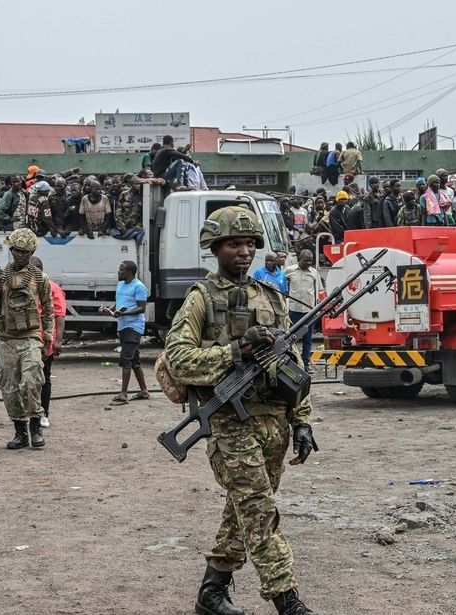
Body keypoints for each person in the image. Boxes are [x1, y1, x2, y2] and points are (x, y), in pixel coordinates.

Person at [164, 206, 320, 615]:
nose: (244, 251)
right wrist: (235, 350)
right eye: (235, 243)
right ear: (215, 248)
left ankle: (211, 593)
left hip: (274, 424)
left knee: (243, 508)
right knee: (259, 510)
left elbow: (293, 365)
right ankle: (289, 602)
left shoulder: (270, 296)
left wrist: (302, 421)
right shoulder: (201, 297)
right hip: (229, 422)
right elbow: (177, 358)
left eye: (250, 243)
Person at [0, 228, 54, 450]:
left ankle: (35, 427)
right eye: (16, 251)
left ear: (31, 251)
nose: (20, 255)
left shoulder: (40, 278)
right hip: (6, 338)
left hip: (30, 337)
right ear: (11, 250)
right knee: (9, 387)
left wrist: (49, 337)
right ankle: (20, 430)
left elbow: (48, 309)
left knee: (32, 381)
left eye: (25, 251)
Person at [103, 260, 150, 405]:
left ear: (129, 272)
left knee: (126, 359)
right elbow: (119, 302)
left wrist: (125, 313)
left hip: (134, 327)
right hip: (123, 326)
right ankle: (144, 390)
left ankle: (123, 394)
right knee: (134, 360)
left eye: (121, 270)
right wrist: (109, 309)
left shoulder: (139, 287)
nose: (119, 272)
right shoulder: (120, 284)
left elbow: (142, 308)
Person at [29, 256, 66, 428]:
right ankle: (30, 412)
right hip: (28, 339)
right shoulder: (26, 287)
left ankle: (44, 413)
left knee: (44, 378)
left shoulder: (53, 288)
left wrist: (57, 341)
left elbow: (59, 315)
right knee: (28, 378)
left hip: (45, 341)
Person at [284, 248, 322, 372]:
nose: (308, 263)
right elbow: (283, 287)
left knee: (308, 339)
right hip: (294, 310)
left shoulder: (314, 272)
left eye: (310, 261)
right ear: (300, 258)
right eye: (306, 260)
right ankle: (291, 363)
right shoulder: (289, 271)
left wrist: (317, 307)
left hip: (309, 311)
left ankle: (306, 364)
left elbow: (319, 291)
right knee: (291, 338)